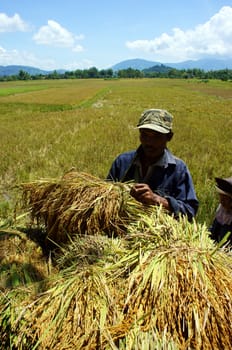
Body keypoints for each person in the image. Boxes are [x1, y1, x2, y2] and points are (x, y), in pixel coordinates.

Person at [107, 108, 199, 221]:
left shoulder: (178, 170)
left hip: (158, 235)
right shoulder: (122, 162)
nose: (149, 142)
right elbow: (105, 198)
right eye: (144, 135)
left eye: (156, 136)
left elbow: (190, 211)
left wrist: (157, 200)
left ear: (169, 137)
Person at [209, 176, 232, 245]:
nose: (221, 202)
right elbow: (213, 231)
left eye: (225, 199)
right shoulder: (222, 210)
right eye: (221, 197)